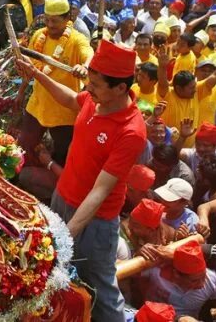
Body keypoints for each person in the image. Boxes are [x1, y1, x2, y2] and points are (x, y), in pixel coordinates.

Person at [16, 39, 146, 321]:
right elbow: (69, 99)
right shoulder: (96, 99)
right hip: (62, 200)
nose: (88, 88)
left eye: (96, 84)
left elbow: (100, 191)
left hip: (94, 222)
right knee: (59, 273)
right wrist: (37, 74)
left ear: (121, 88)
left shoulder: (131, 131)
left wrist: (65, 235)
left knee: (101, 290)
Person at [17, 0, 92, 168]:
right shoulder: (38, 36)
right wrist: (21, 92)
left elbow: (88, 53)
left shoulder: (76, 40)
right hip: (37, 105)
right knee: (23, 148)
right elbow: (31, 68)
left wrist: (85, 67)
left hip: (64, 112)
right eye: (48, 20)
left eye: (55, 21)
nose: (50, 26)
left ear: (68, 19)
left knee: (63, 157)